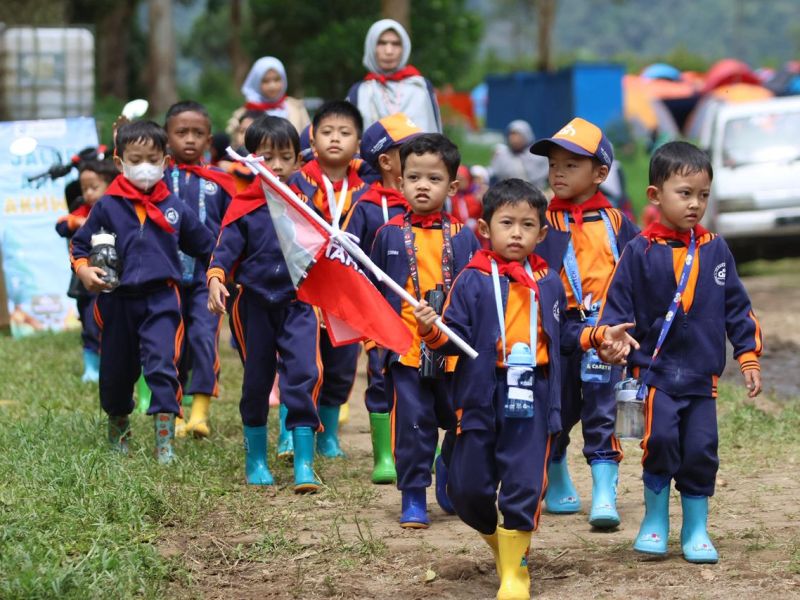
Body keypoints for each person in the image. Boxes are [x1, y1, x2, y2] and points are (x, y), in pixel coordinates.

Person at [413, 178, 636, 599]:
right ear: (485, 228)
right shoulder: (472, 279)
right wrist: (430, 329)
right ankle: (501, 547)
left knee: (524, 482)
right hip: (480, 394)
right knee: (467, 490)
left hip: (533, 392)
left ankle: (516, 574)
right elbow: (451, 338)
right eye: (507, 223)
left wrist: (597, 336)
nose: (516, 233)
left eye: (527, 225)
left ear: (542, 233)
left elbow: (565, 332)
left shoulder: (548, 281)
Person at [587, 141, 763, 563]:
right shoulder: (638, 251)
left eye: (703, 195)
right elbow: (617, 307)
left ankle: (696, 528)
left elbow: (737, 307)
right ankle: (655, 521)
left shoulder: (716, 249)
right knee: (661, 441)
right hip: (656, 376)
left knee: (701, 449)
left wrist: (748, 354)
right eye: (685, 193)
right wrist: (610, 339)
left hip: (702, 377)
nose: (695, 204)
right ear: (655, 195)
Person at [70, 120, 215, 463]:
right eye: (136, 160)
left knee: (163, 364)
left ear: (166, 161)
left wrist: (217, 276)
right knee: (116, 371)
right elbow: (80, 245)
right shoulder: (107, 205)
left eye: (152, 159)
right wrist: (84, 270)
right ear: (119, 162)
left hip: (161, 299)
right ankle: (118, 434)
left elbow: (207, 246)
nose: (145, 167)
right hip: (116, 299)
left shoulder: (174, 206)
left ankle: (164, 445)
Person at [531, 117, 639, 528]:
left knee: (602, 410)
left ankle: (604, 494)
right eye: (553, 164)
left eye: (571, 165)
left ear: (600, 173)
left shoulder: (616, 222)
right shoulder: (541, 222)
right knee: (556, 409)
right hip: (557, 332)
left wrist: (630, 329)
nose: (558, 172)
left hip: (606, 334)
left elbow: (639, 274)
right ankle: (557, 477)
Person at [207, 115, 324, 493]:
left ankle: (304, 462)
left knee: (303, 374)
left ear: (298, 161)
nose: (276, 165)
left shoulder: (308, 207)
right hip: (253, 304)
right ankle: (255, 459)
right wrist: (215, 279)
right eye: (267, 157)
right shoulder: (242, 206)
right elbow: (224, 252)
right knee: (257, 379)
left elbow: (326, 252)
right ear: (250, 159)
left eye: (285, 157)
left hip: (298, 303)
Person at [370, 133, 480, 528]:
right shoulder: (387, 234)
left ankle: (448, 465)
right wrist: (376, 342)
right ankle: (414, 494)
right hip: (407, 351)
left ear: (452, 187)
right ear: (400, 182)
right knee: (413, 423)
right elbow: (374, 291)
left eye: (434, 179)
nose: (422, 186)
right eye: (414, 177)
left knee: (460, 419)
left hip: (453, 352)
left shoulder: (465, 236)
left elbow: (476, 291)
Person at [288, 100, 369, 458]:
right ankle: (292, 431)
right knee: (300, 361)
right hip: (304, 287)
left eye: (345, 132)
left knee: (342, 364)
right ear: (312, 139)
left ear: (359, 143)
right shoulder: (296, 183)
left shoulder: (366, 190)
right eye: (327, 132)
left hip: (347, 290)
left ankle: (329, 434)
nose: (335, 138)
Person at [344, 112, 421, 484]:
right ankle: (384, 455)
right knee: (380, 376)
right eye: (409, 149)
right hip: (380, 312)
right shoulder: (366, 206)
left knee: (427, 380)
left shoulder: (427, 201)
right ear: (386, 161)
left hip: (423, 312)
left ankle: (425, 447)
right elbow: (347, 257)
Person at [163, 100, 237, 438]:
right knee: (169, 344)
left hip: (208, 280)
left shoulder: (222, 181)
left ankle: (200, 413)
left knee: (204, 339)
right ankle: (174, 410)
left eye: (198, 133)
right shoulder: (157, 180)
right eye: (181, 132)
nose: (190, 139)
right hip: (165, 279)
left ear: (209, 140)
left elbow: (233, 227)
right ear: (167, 138)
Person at [56, 159, 117, 382]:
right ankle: (92, 368)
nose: (88, 193)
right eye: (85, 189)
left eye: (94, 187)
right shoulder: (83, 211)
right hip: (87, 284)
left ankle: (115, 365)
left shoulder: (120, 211)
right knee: (90, 324)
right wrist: (77, 222)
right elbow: (62, 225)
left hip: (116, 280)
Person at [347, 19, 442, 133]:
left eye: (396, 44)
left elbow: (435, 132)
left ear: (404, 48)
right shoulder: (359, 92)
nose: (389, 51)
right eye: (381, 43)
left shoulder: (421, 87)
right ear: (371, 47)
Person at [240, 56, 311, 133]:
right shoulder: (246, 113)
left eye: (277, 79)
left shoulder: (297, 108)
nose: (272, 86)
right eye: (266, 81)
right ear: (256, 83)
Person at [490, 120, 549, 189]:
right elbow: (492, 174)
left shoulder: (538, 154)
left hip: (535, 192)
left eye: (517, 135)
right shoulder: (502, 155)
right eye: (511, 135)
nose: (514, 139)